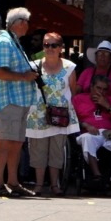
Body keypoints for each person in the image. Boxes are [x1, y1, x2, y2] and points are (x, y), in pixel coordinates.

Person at [0, 7, 40, 197]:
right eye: (25, 21)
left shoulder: (14, 42)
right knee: (6, 141)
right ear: (18, 23)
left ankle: (13, 182)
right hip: (10, 100)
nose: (27, 25)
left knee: (16, 143)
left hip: (20, 100)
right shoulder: (4, 42)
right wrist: (24, 76)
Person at [25, 33, 79, 196]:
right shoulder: (33, 66)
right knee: (38, 150)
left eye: (53, 45)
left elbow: (73, 91)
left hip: (60, 115)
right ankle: (39, 184)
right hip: (38, 114)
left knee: (57, 150)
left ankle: (55, 185)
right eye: (46, 45)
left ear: (61, 48)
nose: (49, 48)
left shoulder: (70, 67)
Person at [72, 74, 111, 189]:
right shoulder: (78, 99)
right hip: (88, 133)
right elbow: (71, 120)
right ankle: (97, 176)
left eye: (105, 89)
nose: (101, 92)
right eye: (98, 88)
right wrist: (85, 124)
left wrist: (107, 106)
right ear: (91, 87)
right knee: (88, 138)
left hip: (109, 133)